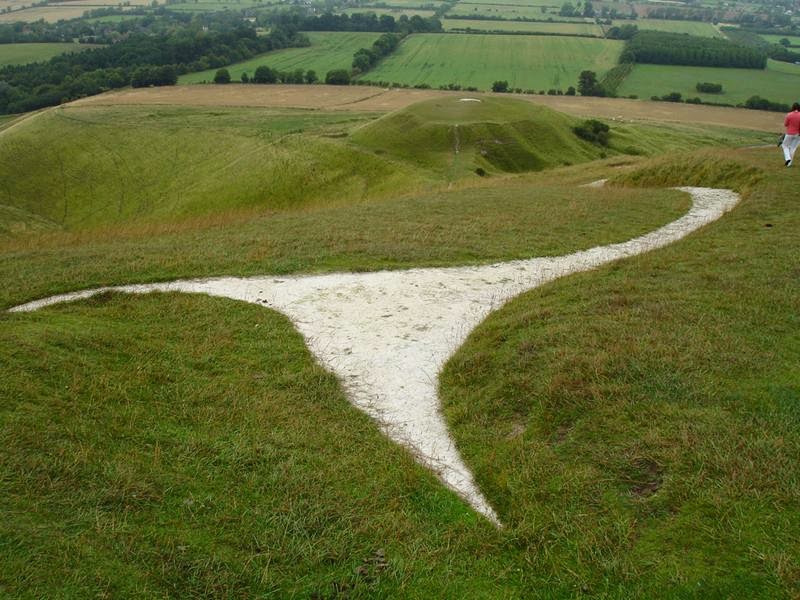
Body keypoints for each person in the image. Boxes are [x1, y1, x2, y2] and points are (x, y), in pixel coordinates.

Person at [782, 102, 800, 167]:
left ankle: (788, 158)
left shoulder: (789, 115)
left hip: (789, 133)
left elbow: (785, 124)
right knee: (793, 148)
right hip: (798, 134)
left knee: (784, 145)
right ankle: (789, 164)